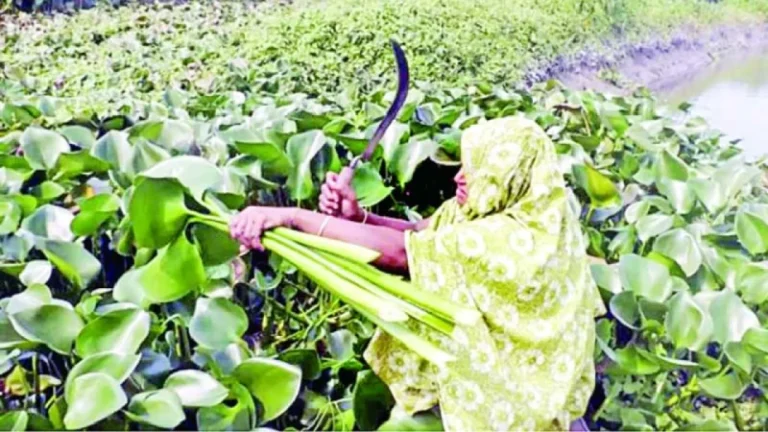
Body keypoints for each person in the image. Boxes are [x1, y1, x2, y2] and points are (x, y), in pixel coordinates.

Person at [229, 116, 606, 431]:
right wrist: (357, 216)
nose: (459, 178)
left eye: (474, 170)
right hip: (516, 386)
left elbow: (400, 253)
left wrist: (292, 218)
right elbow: (421, 234)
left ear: (505, 175)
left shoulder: (513, 236)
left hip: (526, 410)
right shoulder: (526, 207)